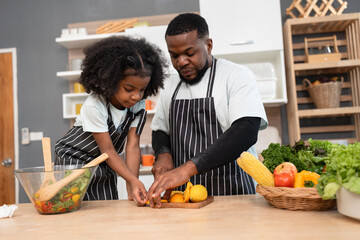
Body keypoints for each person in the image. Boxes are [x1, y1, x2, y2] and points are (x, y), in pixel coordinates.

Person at [148, 13, 268, 207]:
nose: (182, 61)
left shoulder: (236, 76)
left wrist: (186, 169)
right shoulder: (170, 84)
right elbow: (160, 129)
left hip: (233, 193)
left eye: (189, 52)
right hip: (185, 198)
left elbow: (245, 131)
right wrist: (163, 155)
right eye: (174, 55)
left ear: (209, 45)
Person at [55, 36, 167, 205]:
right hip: (74, 159)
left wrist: (132, 182)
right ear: (112, 81)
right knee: (78, 208)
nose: (136, 96)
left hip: (104, 160)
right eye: (129, 89)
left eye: (142, 90)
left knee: (107, 205)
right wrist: (131, 179)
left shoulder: (138, 106)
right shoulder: (95, 106)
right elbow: (108, 150)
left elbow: (133, 145)